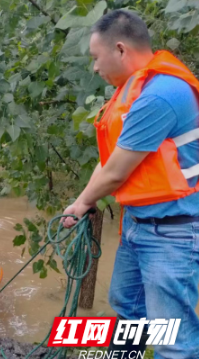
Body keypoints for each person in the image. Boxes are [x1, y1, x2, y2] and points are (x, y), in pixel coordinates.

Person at [62, 10, 199, 358]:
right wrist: (83, 201)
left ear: (120, 49)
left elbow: (115, 174)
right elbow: (109, 160)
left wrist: (81, 205)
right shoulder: (133, 92)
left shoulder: (160, 94)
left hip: (173, 234)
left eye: (95, 57)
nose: (94, 67)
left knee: (173, 340)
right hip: (140, 226)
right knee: (127, 310)